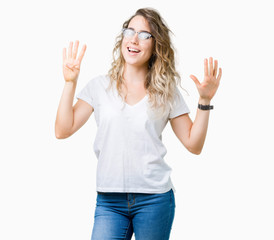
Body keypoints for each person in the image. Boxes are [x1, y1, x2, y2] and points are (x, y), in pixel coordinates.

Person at [55, 7, 222, 240]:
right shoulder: (99, 87)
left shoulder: (166, 90)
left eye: (144, 34)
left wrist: (204, 101)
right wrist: (70, 82)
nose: (134, 39)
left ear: (156, 45)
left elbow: (194, 145)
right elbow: (63, 130)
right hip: (109, 201)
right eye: (130, 31)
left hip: (154, 199)